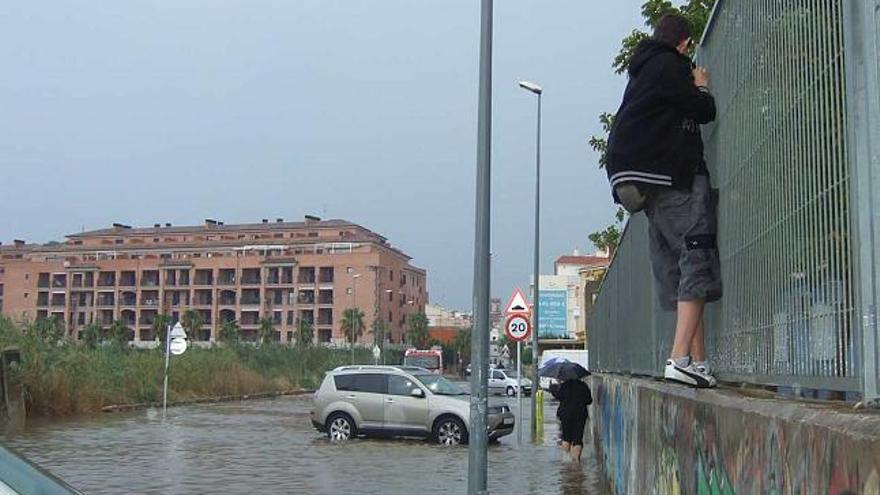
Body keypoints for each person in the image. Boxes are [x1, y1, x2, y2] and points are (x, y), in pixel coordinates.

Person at [605, 13, 722, 388]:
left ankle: (699, 362)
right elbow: (705, 111)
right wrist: (701, 86)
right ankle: (679, 359)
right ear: (685, 44)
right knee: (698, 254)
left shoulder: (641, 72)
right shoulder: (671, 66)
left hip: (635, 178)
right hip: (670, 175)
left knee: (685, 265)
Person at [550, 378, 592, 462]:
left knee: (566, 437)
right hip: (580, 414)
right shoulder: (583, 385)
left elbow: (558, 396)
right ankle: (576, 462)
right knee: (577, 439)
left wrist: (553, 388)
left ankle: (566, 459)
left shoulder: (564, 385)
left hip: (566, 415)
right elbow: (589, 400)